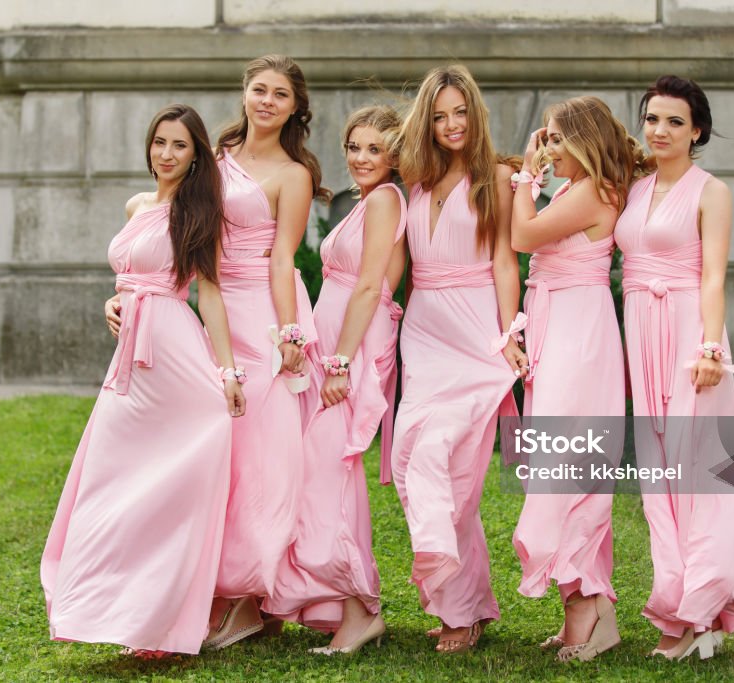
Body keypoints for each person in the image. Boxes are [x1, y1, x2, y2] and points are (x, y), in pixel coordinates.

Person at [104, 54, 327, 649]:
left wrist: (288, 335)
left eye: (281, 94)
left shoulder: (294, 173)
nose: (267, 101)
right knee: (213, 455)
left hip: (263, 311)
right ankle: (208, 590)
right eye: (259, 89)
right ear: (244, 93)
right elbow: (170, 225)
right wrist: (130, 296)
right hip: (202, 313)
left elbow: (285, 259)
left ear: (294, 107)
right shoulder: (214, 154)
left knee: (262, 455)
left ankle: (250, 595)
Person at [42, 104, 246, 658]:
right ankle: (99, 605)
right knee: (109, 480)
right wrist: (114, 299)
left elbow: (211, 293)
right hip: (129, 362)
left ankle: (158, 622)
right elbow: (129, 275)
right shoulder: (137, 205)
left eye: (180, 145)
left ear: (196, 153)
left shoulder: (198, 209)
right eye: (160, 142)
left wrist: (226, 372)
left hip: (174, 355)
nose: (167, 154)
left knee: (171, 488)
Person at [390, 65, 528, 654]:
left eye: (460, 113)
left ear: (476, 115)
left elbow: (503, 262)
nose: (450, 124)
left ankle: (458, 610)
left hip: (475, 338)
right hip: (424, 334)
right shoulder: (414, 184)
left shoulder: (494, 178)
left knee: (453, 473)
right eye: (439, 114)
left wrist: (509, 335)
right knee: (406, 457)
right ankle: (466, 599)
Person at [613, 75, 734, 660]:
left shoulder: (710, 191)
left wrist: (711, 350)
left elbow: (714, 276)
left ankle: (700, 610)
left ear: (697, 130)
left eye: (674, 121)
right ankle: (681, 609)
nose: (660, 130)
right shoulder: (634, 188)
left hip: (691, 335)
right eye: (652, 119)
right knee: (660, 474)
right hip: (640, 328)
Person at [265, 105, 407, 655]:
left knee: (334, 472)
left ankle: (359, 610)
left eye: (375, 148)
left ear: (395, 154)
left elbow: (371, 286)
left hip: (355, 349)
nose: (362, 157)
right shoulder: (363, 203)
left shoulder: (387, 201)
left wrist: (343, 363)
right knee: (321, 475)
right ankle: (336, 603)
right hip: (333, 346)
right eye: (355, 146)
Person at [509, 96, 640, 663]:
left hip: (577, 335)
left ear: (585, 141)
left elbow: (522, 237)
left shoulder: (591, 191)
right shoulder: (573, 188)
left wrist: (523, 175)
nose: (551, 148)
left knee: (570, 471)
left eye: (559, 139)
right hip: (555, 325)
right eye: (548, 139)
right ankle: (585, 611)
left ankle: (589, 612)